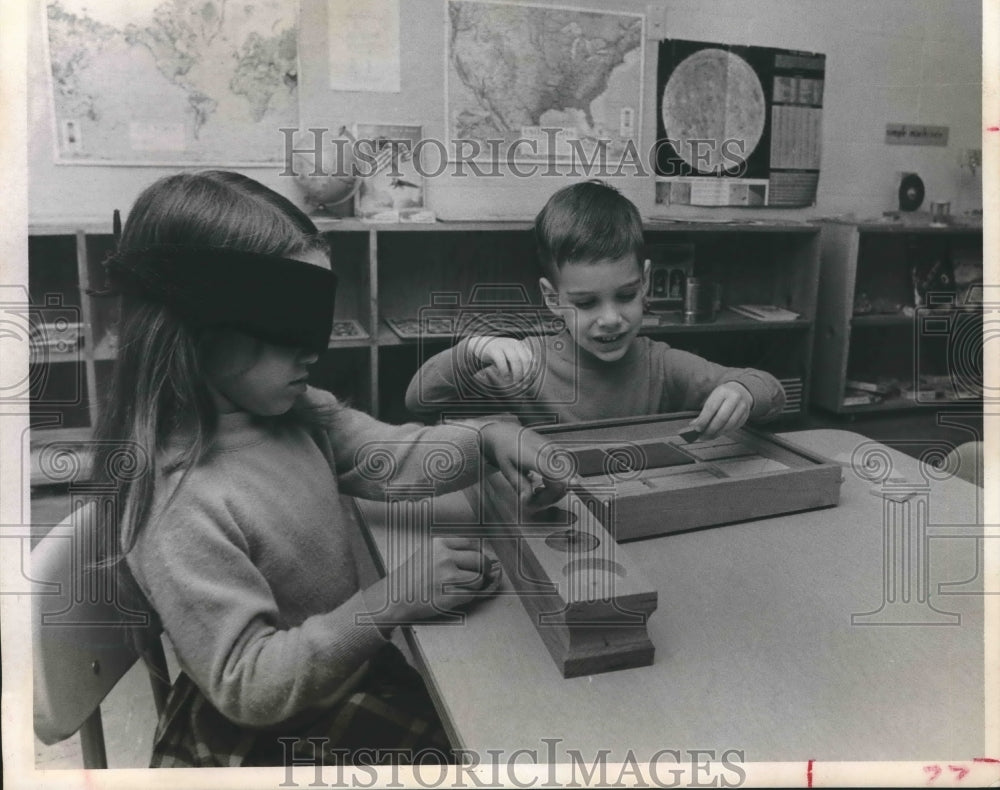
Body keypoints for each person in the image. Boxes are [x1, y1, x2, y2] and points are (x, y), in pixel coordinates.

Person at [90, 171, 565, 768]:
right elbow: (248, 683)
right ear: (197, 326)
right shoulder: (180, 502)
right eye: (287, 323)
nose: (313, 348)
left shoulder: (293, 412)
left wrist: (489, 439)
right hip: (273, 730)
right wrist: (390, 601)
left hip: (341, 669)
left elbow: (386, 455)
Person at [406, 180, 785, 434]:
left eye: (626, 296)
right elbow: (420, 400)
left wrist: (743, 393)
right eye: (586, 303)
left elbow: (771, 390)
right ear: (552, 298)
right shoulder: (526, 365)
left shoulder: (662, 365)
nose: (610, 319)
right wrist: (473, 350)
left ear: (645, 282)